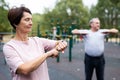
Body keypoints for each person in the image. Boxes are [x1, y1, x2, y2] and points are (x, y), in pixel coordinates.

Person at [3, 6, 67, 80]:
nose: (31, 23)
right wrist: (48, 54)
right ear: (15, 24)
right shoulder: (9, 47)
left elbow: (59, 42)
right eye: (27, 20)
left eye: (31, 19)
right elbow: (24, 69)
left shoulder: (37, 41)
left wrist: (63, 44)